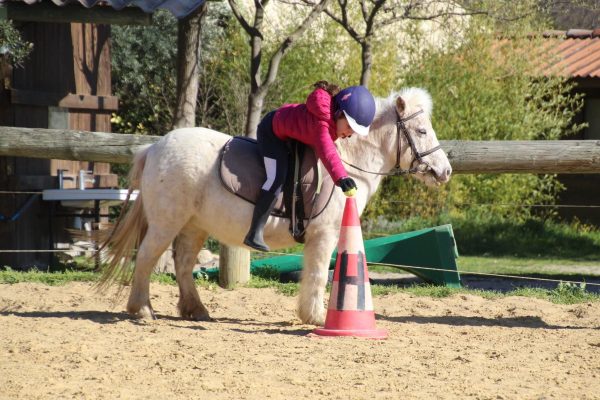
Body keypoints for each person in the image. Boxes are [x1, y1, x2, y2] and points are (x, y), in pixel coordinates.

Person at [243, 80, 376, 252]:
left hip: (292, 130)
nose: (350, 134)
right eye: (349, 127)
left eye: (353, 131)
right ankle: (254, 232)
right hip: (271, 134)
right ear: (339, 114)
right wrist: (341, 177)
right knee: (276, 177)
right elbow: (327, 151)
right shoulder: (321, 125)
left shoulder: (331, 119)